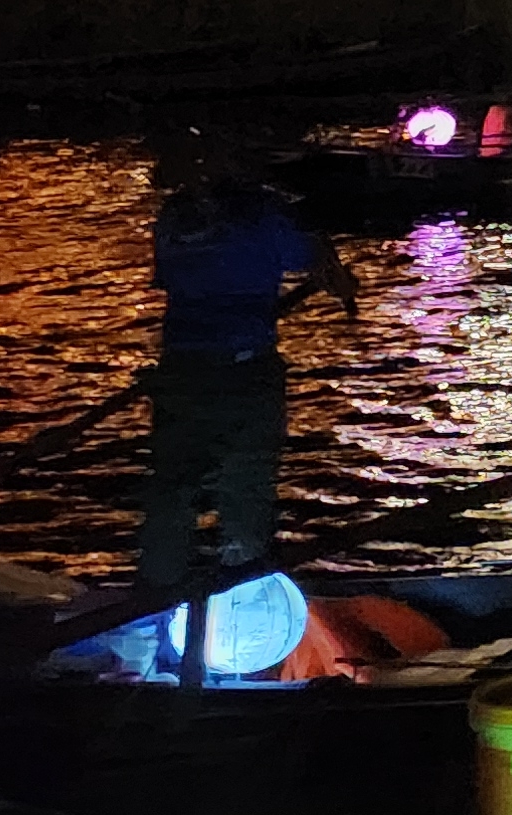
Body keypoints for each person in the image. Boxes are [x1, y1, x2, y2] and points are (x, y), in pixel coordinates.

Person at [136, 124, 358, 593]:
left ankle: (155, 592)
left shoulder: (173, 219)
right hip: (244, 370)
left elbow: (178, 278)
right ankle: (246, 587)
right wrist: (330, 264)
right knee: (246, 486)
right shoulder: (266, 216)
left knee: (174, 487)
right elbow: (323, 267)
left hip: (182, 372)